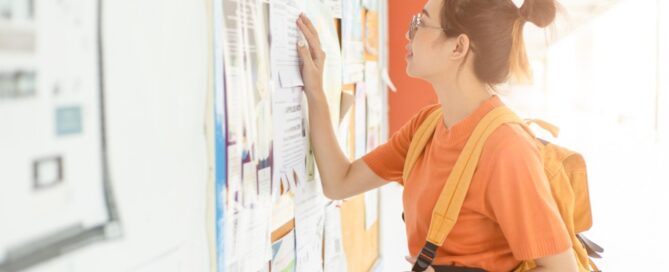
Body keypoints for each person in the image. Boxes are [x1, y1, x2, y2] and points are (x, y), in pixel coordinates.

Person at [296, 0, 578, 271]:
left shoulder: (507, 149)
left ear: (458, 47)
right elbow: (339, 182)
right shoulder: (426, 127)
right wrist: (316, 92)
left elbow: (563, 270)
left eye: (421, 22)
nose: (410, 32)